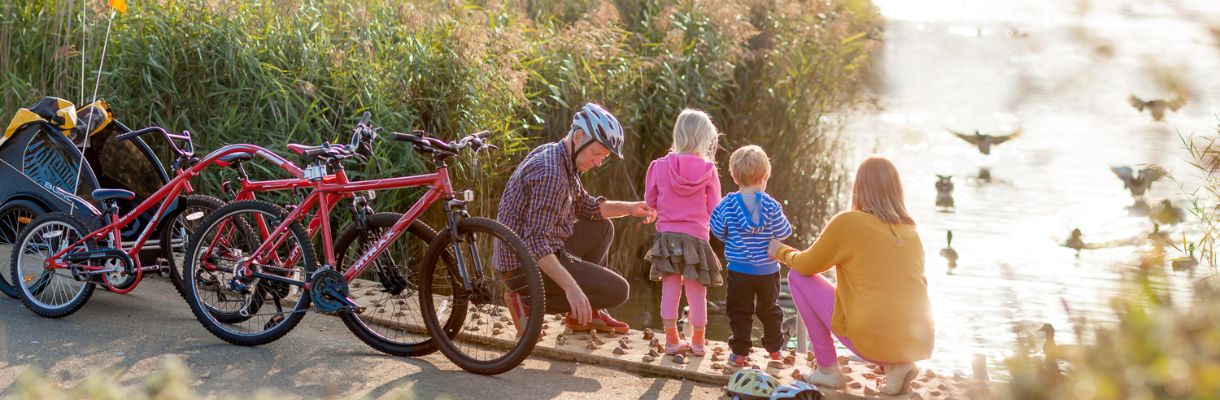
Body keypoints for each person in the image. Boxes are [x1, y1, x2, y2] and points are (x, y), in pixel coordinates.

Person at [768, 156, 934, 396]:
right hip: (919, 340)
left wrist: (781, 251)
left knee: (797, 277)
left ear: (860, 187)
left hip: (870, 337)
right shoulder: (911, 231)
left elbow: (806, 265)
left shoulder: (849, 222)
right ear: (897, 191)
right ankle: (897, 366)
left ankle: (827, 369)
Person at [495, 103, 657, 334]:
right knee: (618, 291)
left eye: (603, 156)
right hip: (523, 269)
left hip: (541, 251)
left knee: (602, 227)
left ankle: (583, 314)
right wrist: (572, 289)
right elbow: (535, 243)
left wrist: (631, 208)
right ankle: (528, 302)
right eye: (596, 153)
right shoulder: (551, 173)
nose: (599, 162)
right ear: (579, 136)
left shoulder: (561, 158)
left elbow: (588, 207)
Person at [644, 108, 723, 356]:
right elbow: (715, 207)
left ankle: (671, 341)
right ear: (704, 139)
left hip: (667, 237)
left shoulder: (659, 166)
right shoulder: (709, 170)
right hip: (697, 239)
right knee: (697, 290)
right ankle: (698, 343)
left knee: (670, 286)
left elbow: (650, 199)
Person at [710, 145, 792, 366]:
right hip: (767, 270)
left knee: (739, 312)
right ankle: (775, 350)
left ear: (735, 177)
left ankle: (739, 353)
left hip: (739, 270)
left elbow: (717, 230)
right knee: (770, 309)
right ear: (764, 177)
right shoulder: (772, 206)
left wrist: (732, 235)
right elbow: (784, 232)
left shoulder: (726, 205)